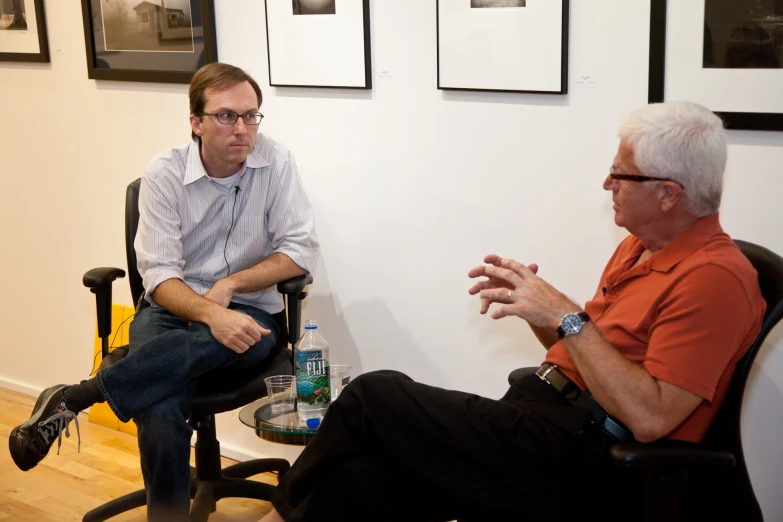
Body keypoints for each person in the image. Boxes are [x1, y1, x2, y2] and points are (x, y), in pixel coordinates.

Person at [259, 101, 765, 522]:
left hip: (588, 457)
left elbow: (651, 417)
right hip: (545, 416)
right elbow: (593, 359)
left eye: (620, 174)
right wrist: (538, 311)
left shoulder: (714, 279)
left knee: (375, 394)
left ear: (668, 194)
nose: (608, 185)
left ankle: (275, 516)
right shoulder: (640, 248)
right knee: (361, 478)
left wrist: (567, 315)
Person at [9, 62, 319, 521]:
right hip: (172, 310)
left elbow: (299, 251)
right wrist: (212, 314)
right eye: (227, 116)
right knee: (161, 401)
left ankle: (78, 396)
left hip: (253, 313)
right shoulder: (164, 175)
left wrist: (230, 285)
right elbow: (159, 276)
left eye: (251, 115)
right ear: (196, 122)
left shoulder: (277, 163)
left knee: (168, 383)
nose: (243, 128)